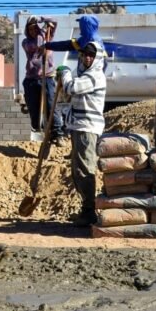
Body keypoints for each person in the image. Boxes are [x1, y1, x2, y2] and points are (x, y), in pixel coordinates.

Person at [56, 40, 107, 226]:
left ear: (97, 58)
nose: (87, 58)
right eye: (85, 54)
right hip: (79, 126)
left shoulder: (95, 76)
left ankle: (89, 211)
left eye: (91, 55)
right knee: (77, 169)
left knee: (85, 169)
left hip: (87, 127)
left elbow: (72, 88)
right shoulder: (84, 75)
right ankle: (85, 209)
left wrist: (65, 73)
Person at [20, 17, 60, 142]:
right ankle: (37, 127)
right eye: (30, 29)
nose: (33, 31)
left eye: (34, 28)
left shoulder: (47, 36)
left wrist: (42, 19)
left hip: (47, 76)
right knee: (33, 105)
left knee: (50, 105)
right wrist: (42, 33)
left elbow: (55, 21)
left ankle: (57, 132)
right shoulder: (26, 42)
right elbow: (37, 47)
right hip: (31, 77)